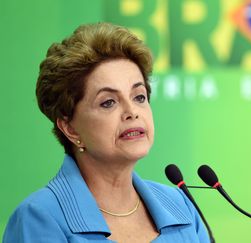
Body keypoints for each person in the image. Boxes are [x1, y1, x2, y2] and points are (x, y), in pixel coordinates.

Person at [3, 22, 210, 243]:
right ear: (70, 128)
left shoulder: (180, 206)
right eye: (108, 102)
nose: (132, 112)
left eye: (139, 96)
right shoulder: (39, 218)